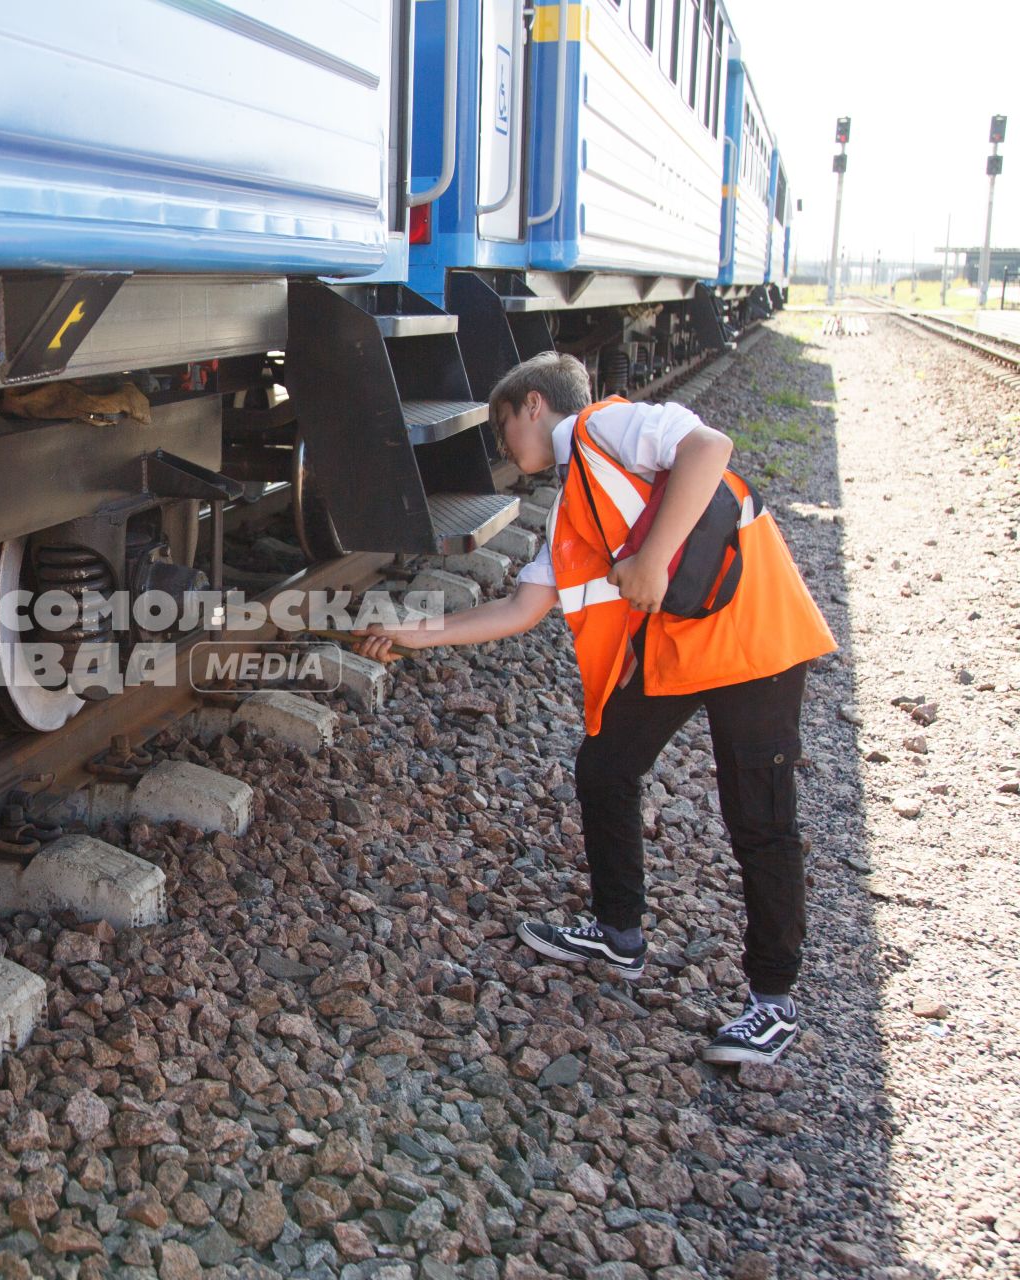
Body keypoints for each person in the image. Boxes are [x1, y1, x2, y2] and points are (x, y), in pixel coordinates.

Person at [356, 351, 835, 1066]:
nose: (501, 445)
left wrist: (651, 558)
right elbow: (521, 608)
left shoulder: (610, 427)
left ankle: (773, 1002)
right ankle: (620, 933)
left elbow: (710, 448)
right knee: (605, 765)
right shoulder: (570, 506)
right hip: (681, 647)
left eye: (501, 425)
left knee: (759, 816)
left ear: (532, 407)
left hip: (752, 637)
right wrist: (413, 634)